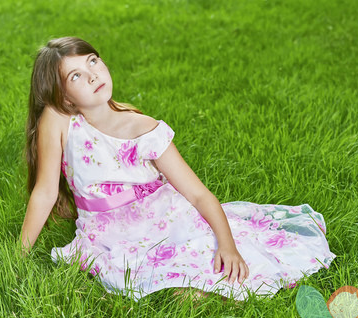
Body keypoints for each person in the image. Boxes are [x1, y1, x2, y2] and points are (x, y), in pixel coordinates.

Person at [20, 36, 335, 301]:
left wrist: (228, 244)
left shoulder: (144, 128)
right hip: (107, 234)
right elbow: (45, 191)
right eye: (75, 75)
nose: (92, 75)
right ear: (65, 98)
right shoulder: (60, 120)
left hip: (167, 217)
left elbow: (198, 195)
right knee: (168, 287)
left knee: (217, 275)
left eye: (92, 61)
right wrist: (18, 257)